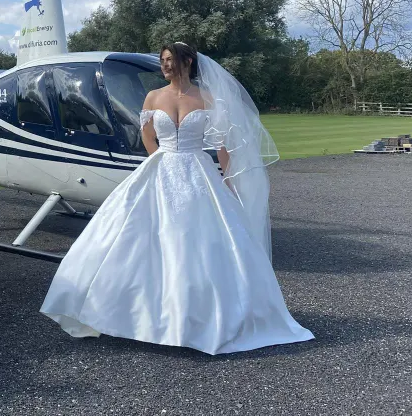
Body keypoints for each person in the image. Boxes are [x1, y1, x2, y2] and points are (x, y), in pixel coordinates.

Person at [39, 41, 313, 355]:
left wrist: (228, 180)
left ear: (188, 62)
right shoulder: (153, 96)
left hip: (198, 170)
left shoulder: (208, 98)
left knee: (198, 242)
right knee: (136, 238)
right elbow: (146, 135)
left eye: (172, 60)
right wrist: (160, 160)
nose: (166, 65)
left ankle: (200, 317)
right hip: (160, 168)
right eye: (164, 60)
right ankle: (130, 313)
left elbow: (223, 145)